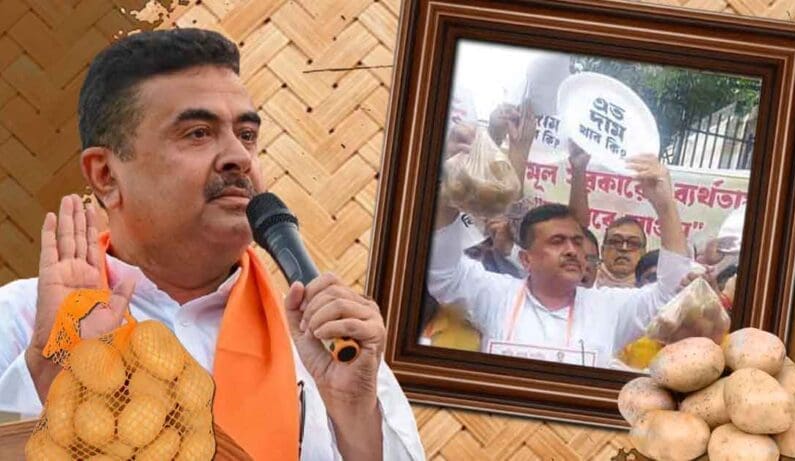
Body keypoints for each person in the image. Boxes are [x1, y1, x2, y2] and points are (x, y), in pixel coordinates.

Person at [0, 29, 423, 461]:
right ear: (106, 175)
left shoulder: (327, 346)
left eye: (247, 134)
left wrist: (354, 414)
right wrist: (49, 377)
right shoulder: (22, 319)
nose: (238, 156)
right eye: (198, 133)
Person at [427, 153, 693, 368]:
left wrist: (665, 204)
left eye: (577, 242)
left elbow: (669, 295)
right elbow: (442, 272)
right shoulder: (495, 293)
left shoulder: (608, 307)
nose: (572, 250)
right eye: (557, 241)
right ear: (526, 259)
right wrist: (451, 193)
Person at [596, 216, 648, 288]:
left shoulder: (652, 290)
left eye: (633, 243)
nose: (624, 248)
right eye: (616, 241)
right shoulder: (584, 283)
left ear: (643, 253)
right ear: (602, 251)